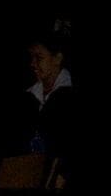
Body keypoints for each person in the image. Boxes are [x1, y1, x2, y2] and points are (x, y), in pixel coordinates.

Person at [16, 30, 80, 161]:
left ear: (57, 58)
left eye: (39, 58)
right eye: (31, 58)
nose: (33, 64)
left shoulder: (73, 97)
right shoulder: (28, 97)